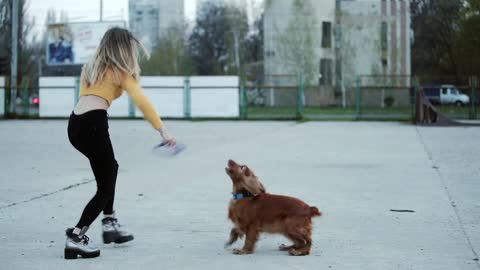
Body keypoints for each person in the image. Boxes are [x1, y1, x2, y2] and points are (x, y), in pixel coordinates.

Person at [64, 27, 176, 259]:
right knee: (105, 187)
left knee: (110, 170)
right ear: (124, 49)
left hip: (75, 124)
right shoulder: (121, 72)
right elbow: (142, 102)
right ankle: (75, 238)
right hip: (94, 124)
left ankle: (109, 223)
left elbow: (94, 97)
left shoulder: (91, 69)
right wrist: (163, 131)